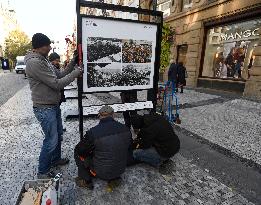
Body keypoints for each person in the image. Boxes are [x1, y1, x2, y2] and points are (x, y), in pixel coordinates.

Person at [25, 33, 82, 179]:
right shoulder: (35, 63)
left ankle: (55, 159)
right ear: (40, 46)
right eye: (48, 45)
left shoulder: (44, 60)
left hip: (52, 105)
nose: (50, 47)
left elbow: (60, 74)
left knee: (58, 136)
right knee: (51, 140)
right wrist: (77, 72)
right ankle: (43, 172)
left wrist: (72, 63)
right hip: (44, 108)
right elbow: (57, 84)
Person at [74, 106, 132, 189]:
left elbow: (81, 151)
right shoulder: (126, 129)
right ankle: (114, 177)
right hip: (120, 170)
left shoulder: (93, 132)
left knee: (77, 151)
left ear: (99, 116)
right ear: (113, 115)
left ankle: (86, 180)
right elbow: (129, 149)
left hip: (101, 173)